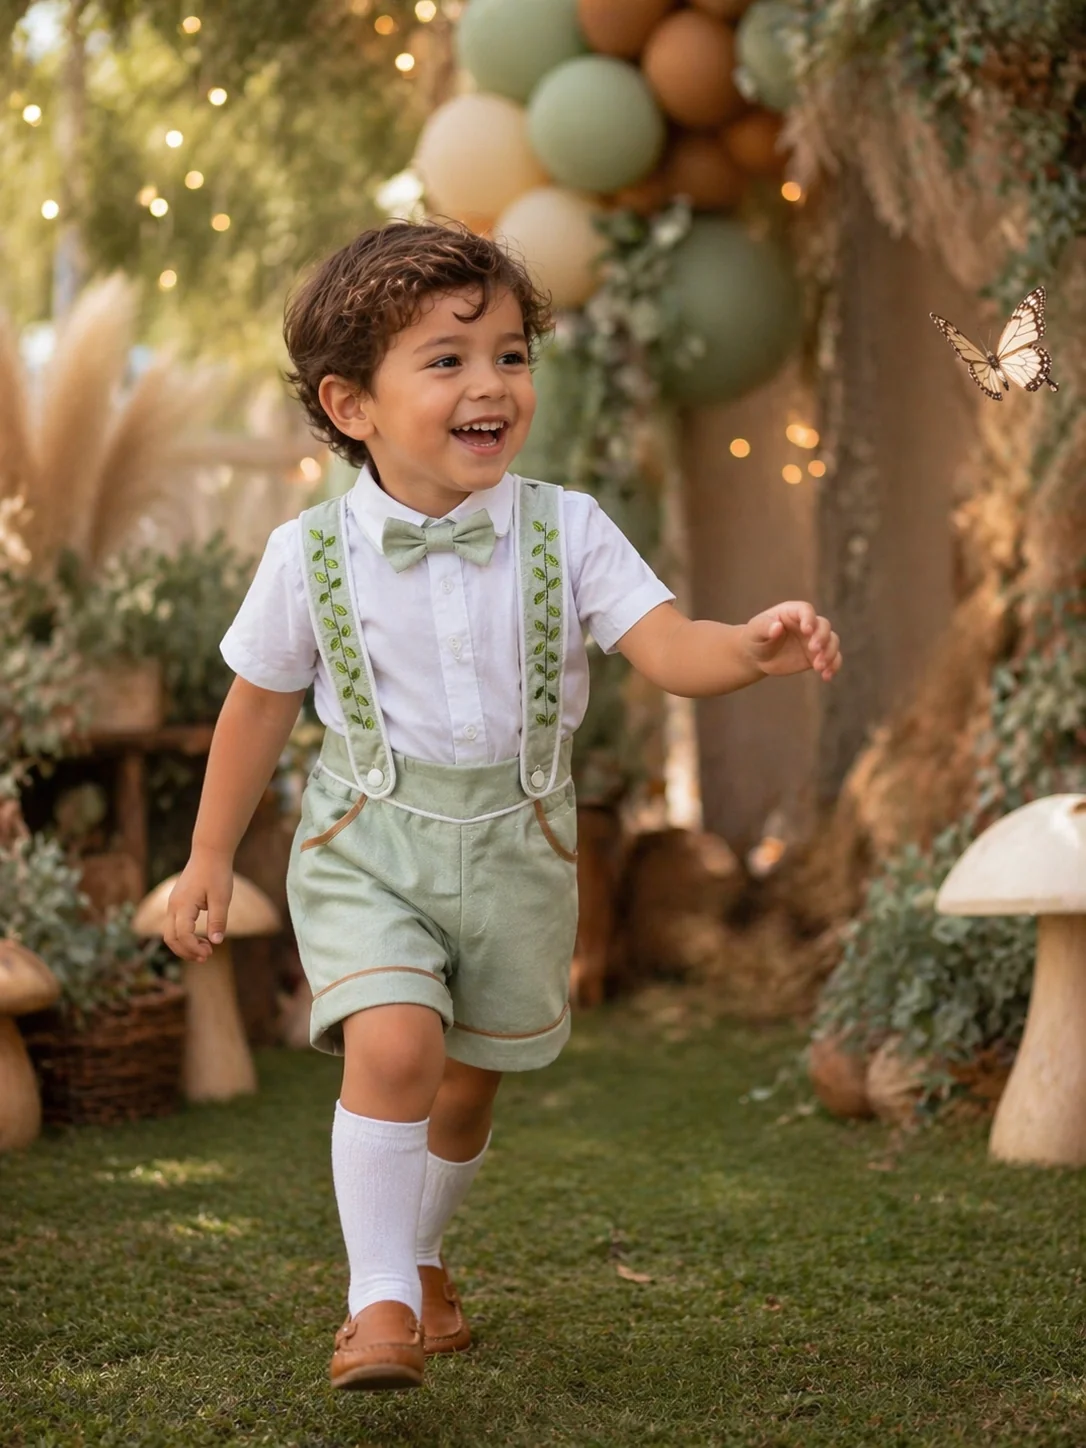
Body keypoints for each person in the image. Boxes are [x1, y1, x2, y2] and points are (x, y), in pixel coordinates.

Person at [164, 220, 842, 1393]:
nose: (491, 383)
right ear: (351, 403)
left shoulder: (565, 528)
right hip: (370, 844)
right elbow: (259, 707)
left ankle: (423, 1255)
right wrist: (209, 854)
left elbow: (668, 644)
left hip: (521, 850)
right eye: (447, 359)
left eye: (512, 355)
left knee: (467, 1085)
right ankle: (377, 1298)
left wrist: (748, 646)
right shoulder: (307, 553)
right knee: (396, 1044)